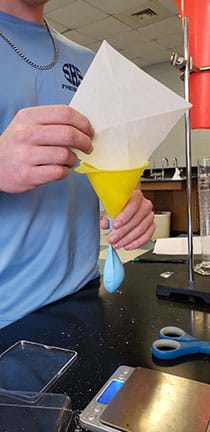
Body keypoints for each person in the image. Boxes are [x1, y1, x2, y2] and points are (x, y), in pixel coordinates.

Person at [0, 0, 155, 328]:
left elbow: (112, 159)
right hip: (6, 315)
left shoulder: (88, 63)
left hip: (84, 295)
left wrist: (129, 201)